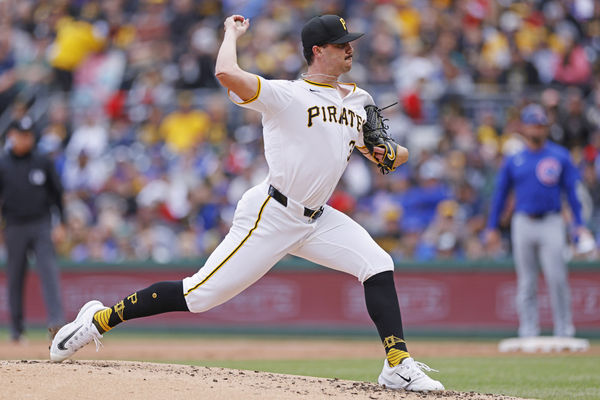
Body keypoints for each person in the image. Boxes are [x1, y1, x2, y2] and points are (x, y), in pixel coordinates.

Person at [50, 15, 444, 392]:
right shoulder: (286, 95)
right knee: (198, 296)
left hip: (317, 218)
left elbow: (391, 154)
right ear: (317, 50)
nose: (349, 50)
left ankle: (398, 366)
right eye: (341, 45)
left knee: (378, 264)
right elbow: (226, 74)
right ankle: (97, 321)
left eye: (350, 44)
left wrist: (388, 150)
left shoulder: (360, 100)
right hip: (271, 214)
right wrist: (231, 35)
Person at [485, 103, 591, 338]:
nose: (537, 129)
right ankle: (528, 330)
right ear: (524, 127)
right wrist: (492, 226)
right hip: (523, 221)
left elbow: (571, 193)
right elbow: (500, 195)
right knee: (526, 282)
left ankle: (564, 329)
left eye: (541, 124)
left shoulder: (559, 155)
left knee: (557, 278)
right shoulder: (514, 159)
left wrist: (579, 224)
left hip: (551, 220)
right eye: (533, 124)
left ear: (546, 127)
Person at [0, 116, 66, 342]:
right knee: (15, 278)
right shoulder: (3, 163)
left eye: (28, 135)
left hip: (41, 223)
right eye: (21, 135)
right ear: (11, 136)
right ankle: (17, 330)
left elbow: (57, 193)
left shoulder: (42, 161)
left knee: (49, 273)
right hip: (14, 226)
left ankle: (57, 326)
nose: (25, 140)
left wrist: (61, 223)